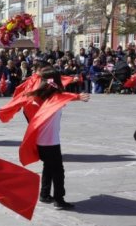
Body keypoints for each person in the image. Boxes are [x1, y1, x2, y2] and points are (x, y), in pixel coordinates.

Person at [24, 67, 90, 210]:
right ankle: (59, 199)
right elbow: (63, 95)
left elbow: (63, 94)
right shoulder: (53, 98)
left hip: (41, 141)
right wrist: (78, 96)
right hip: (50, 142)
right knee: (58, 171)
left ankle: (45, 194)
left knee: (48, 167)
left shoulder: (40, 97)